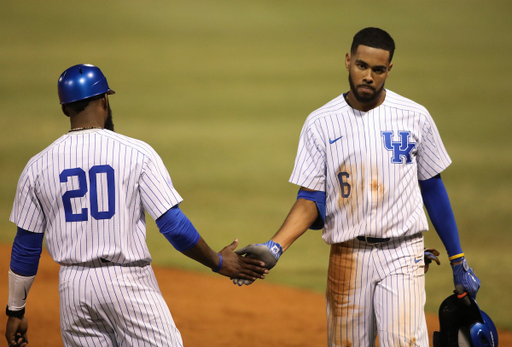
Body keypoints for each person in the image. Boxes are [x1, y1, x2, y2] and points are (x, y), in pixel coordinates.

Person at [233, 28, 480, 347]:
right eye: (361, 66)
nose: (368, 76)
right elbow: (311, 198)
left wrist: (457, 259)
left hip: (403, 253)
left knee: (404, 342)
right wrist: (276, 246)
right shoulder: (321, 123)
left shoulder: (415, 117)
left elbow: (432, 187)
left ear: (389, 70)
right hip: (347, 257)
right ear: (348, 61)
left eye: (378, 70)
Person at [5, 64, 268, 347]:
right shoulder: (136, 153)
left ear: (65, 109)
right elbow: (174, 226)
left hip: (73, 290)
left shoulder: (37, 166)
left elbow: (26, 246)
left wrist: (15, 310)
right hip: (128, 285)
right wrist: (218, 262)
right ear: (105, 99)